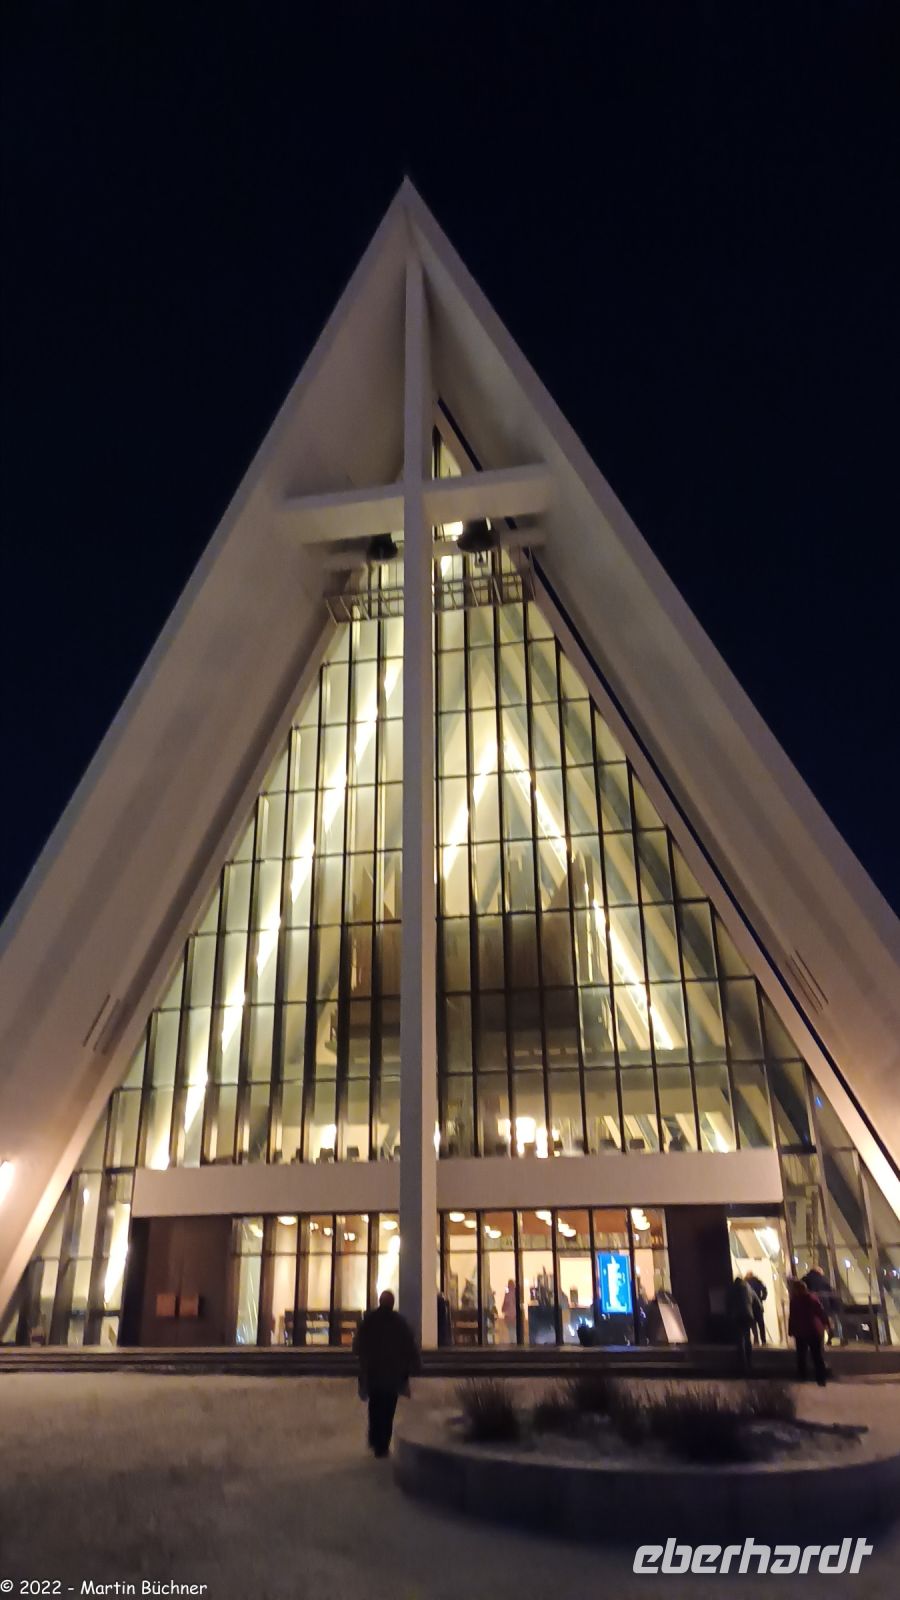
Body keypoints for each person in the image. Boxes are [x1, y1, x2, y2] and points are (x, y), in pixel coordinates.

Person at [352, 1290, 420, 1457]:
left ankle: (376, 1440)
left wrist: (363, 1362)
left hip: (374, 1374)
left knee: (375, 1407)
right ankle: (383, 1442)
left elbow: (358, 1345)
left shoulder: (369, 1320)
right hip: (393, 1376)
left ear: (380, 1302)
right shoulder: (399, 1323)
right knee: (388, 1410)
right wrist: (414, 1364)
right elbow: (409, 1345)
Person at [788, 1277, 829, 1385]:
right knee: (816, 1355)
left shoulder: (794, 1301)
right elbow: (820, 1312)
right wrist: (826, 1324)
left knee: (801, 1355)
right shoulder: (812, 1298)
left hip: (801, 1331)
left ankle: (802, 1377)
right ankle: (821, 1378)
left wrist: (791, 1330)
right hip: (813, 1330)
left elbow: (792, 1317)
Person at [727, 1274, 761, 1370]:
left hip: (737, 1315)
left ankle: (742, 1362)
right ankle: (749, 1361)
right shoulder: (749, 1288)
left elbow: (728, 1302)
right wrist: (756, 1313)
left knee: (739, 1339)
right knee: (747, 1338)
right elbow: (757, 1302)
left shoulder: (732, 1289)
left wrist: (729, 1314)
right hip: (748, 1315)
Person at [745, 1270, 768, 1345]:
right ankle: (763, 1340)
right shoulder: (758, 1281)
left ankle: (756, 1340)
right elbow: (765, 1290)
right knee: (761, 1323)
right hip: (758, 1305)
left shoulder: (745, 1283)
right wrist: (762, 1298)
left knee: (753, 1324)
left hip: (750, 1306)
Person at [501, 1278, 517, 1345]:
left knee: (511, 1332)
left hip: (509, 1316)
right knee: (514, 1331)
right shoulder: (515, 1293)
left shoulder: (507, 1294)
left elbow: (504, 1306)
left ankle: (513, 1344)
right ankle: (515, 1344)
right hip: (514, 1316)